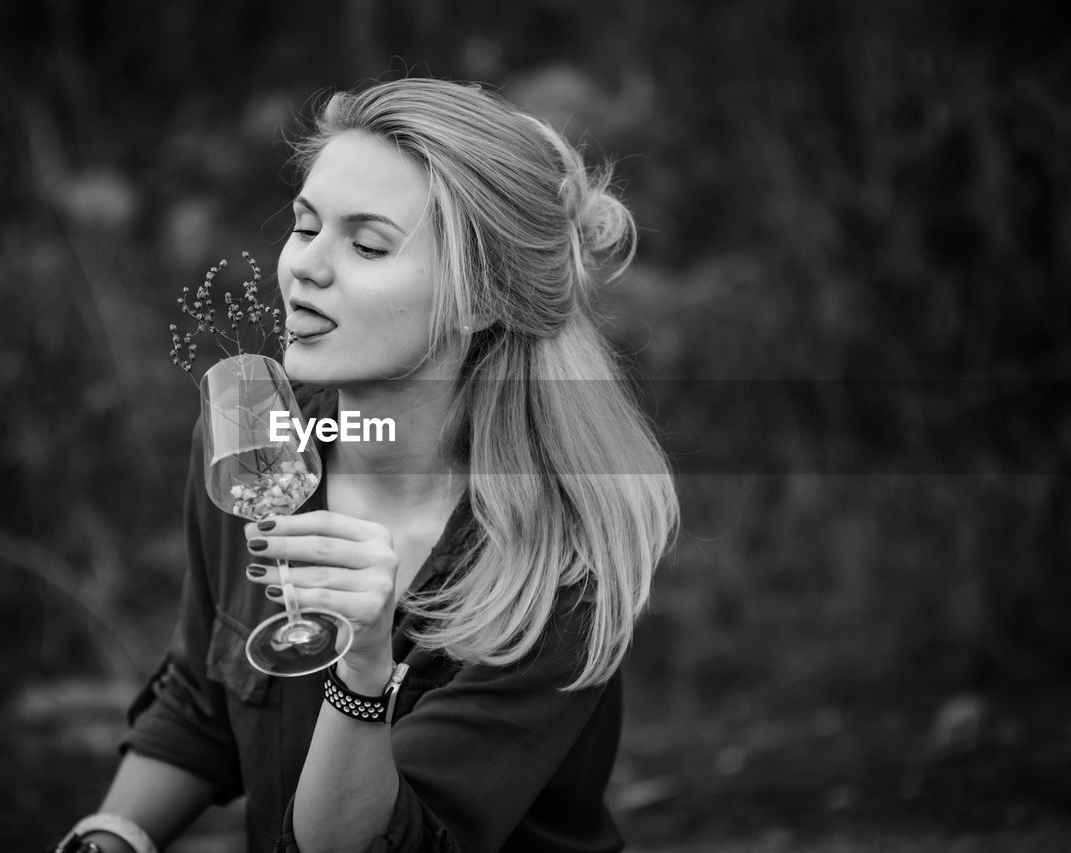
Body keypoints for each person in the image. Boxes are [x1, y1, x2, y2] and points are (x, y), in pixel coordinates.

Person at [50, 77, 677, 853]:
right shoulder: (253, 451)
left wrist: (365, 667)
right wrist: (111, 834)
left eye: (367, 244)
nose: (305, 267)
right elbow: (202, 699)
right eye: (306, 226)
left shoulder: (559, 562)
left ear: (479, 300)